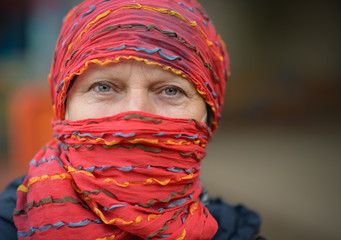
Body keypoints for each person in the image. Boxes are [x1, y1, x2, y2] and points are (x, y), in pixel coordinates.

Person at [0, 0, 264, 239]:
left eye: (171, 90)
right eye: (104, 87)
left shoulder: (234, 233)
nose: (135, 114)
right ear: (63, 106)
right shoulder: (9, 224)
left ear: (209, 116)